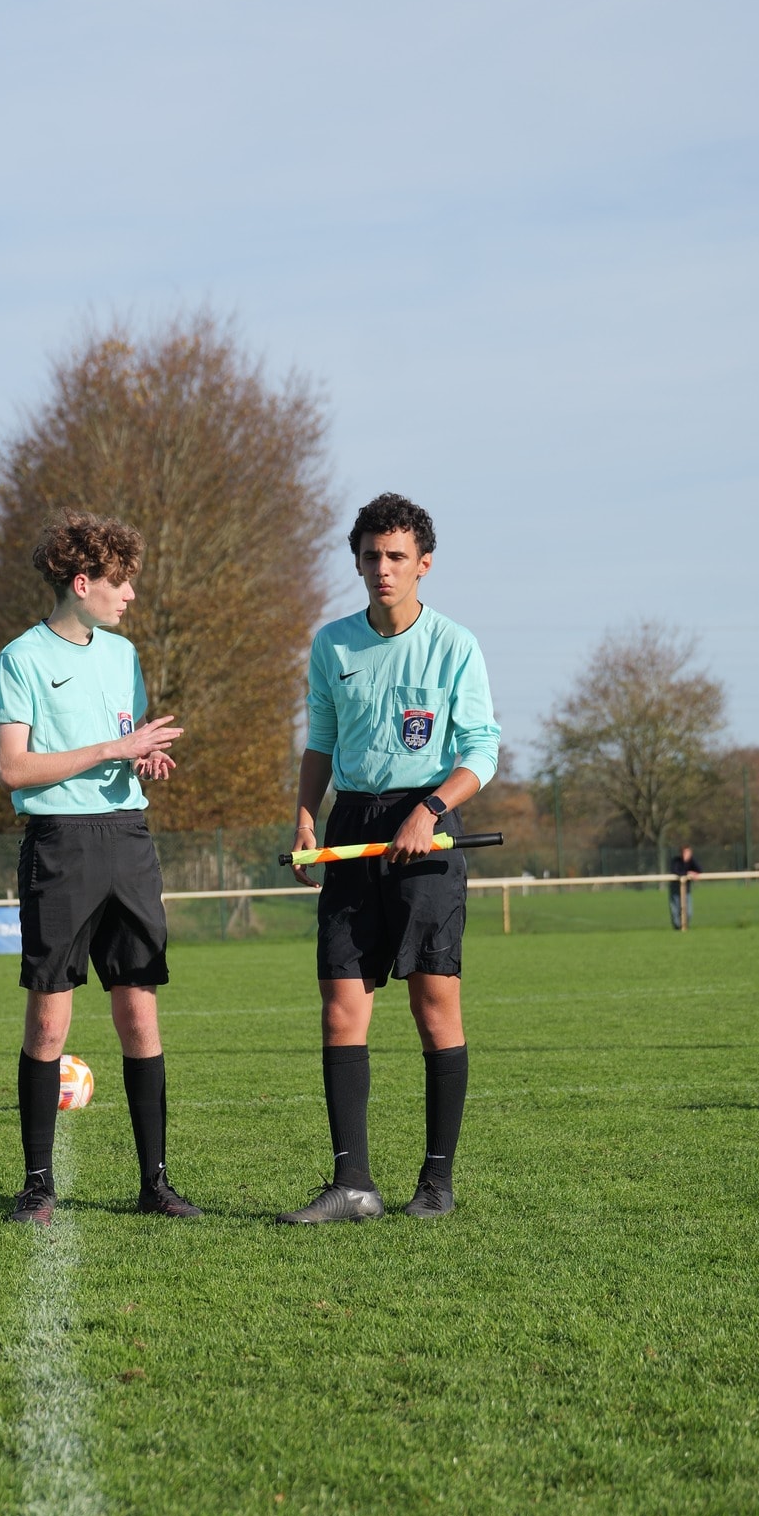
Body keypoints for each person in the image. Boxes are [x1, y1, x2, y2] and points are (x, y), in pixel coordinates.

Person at [280, 491, 499, 1225]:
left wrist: (430, 808)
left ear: (423, 565)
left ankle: (435, 1184)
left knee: (433, 1006)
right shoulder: (332, 644)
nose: (382, 568)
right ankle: (353, 1185)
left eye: (396, 557)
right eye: (371, 555)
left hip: (427, 832)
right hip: (354, 829)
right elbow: (319, 743)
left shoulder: (454, 645)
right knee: (342, 1006)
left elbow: (481, 752)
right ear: (357, 562)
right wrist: (308, 818)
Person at [0, 510, 200, 1226]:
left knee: (139, 1010)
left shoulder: (124, 655)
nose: (129, 594)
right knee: (49, 1023)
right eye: (119, 582)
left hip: (127, 838)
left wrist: (141, 755)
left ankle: (156, 1183)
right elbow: (12, 767)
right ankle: (37, 1186)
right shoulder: (20, 659)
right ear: (81, 583)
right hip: (59, 846)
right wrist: (112, 751)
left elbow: (121, 740)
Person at [668, 843, 701, 929]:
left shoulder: (692, 861)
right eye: (683, 852)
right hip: (675, 890)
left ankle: (685, 926)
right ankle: (678, 928)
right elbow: (676, 871)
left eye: (687, 852)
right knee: (675, 911)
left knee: (688, 912)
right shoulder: (676, 861)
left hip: (686, 890)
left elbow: (699, 870)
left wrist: (690, 861)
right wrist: (688, 873)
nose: (685, 854)